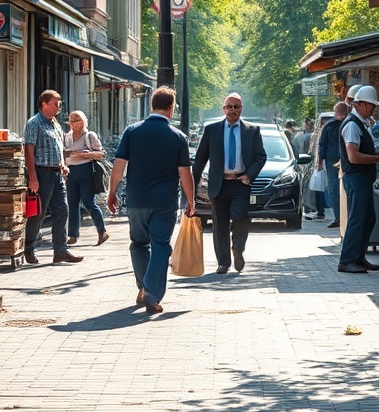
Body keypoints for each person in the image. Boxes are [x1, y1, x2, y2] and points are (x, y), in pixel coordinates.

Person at [106, 87, 195, 314]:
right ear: (171, 107)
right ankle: (152, 294)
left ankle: (143, 287)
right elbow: (185, 172)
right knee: (161, 247)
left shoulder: (131, 132)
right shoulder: (178, 137)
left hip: (136, 200)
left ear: (151, 106)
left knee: (138, 244)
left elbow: (118, 167)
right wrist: (190, 200)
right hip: (164, 202)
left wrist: (111, 192)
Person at [193, 92, 267, 274]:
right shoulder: (212, 130)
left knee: (241, 217)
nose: (233, 110)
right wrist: (191, 189)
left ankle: (238, 248)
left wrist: (249, 175)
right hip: (219, 183)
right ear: (223, 109)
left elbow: (260, 156)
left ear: (241, 108)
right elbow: (200, 159)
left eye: (236, 107)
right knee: (220, 224)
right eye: (229, 107)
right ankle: (223, 263)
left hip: (240, 183)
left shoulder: (252, 130)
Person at [338, 86, 379, 273]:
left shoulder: (360, 124)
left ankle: (358, 256)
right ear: (358, 104)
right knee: (358, 219)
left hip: (362, 178)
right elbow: (354, 157)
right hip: (356, 178)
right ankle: (347, 259)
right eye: (370, 105)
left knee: (368, 219)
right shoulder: (352, 125)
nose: (373, 109)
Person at [24, 90, 82, 266]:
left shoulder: (55, 124)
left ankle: (60, 251)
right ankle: (28, 248)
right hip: (42, 173)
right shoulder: (34, 123)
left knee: (62, 210)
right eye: (55, 103)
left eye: (59, 103)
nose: (59, 107)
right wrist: (33, 176)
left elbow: (59, 148)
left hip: (57, 173)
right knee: (39, 213)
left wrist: (63, 164)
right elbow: (29, 150)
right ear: (44, 104)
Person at [64, 110, 109, 248]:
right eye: (71, 120)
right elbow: (64, 152)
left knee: (89, 202)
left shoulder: (89, 135)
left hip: (86, 170)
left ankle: (102, 231)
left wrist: (85, 154)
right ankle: (73, 234)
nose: (73, 123)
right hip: (70, 171)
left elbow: (101, 154)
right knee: (72, 203)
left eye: (76, 120)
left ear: (83, 121)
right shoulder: (67, 136)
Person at [317, 102, 349, 229]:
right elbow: (322, 145)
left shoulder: (333, 125)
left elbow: (322, 145)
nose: (337, 114)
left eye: (339, 112)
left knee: (337, 190)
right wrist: (320, 161)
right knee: (337, 190)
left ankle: (340, 218)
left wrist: (320, 161)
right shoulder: (344, 124)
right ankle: (339, 217)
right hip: (336, 162)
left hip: (340, 161)